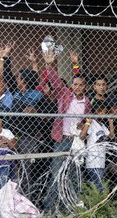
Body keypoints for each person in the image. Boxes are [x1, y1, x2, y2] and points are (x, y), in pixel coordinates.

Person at [43, 49, 91, 212]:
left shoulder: (87, 101)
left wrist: (84, 125)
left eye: (80, 84)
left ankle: (70, 208)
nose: (77, 87)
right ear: (71, 85)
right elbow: (55, 81)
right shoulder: (64, 94)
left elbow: (88, 120)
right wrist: (49, 65)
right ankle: (49, 209)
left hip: (76, 142)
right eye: (75, 84)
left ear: (85, 87)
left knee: (73, 176)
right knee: (56, 174)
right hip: (62, 139)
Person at [80, 101, 115, 191]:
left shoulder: (102, 126)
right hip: (93, 161)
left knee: (97, 188)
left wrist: (110, 123)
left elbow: (111, 136)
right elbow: (82, 136)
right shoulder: (92, 123)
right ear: (98, 111)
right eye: (103, 111)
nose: (104, 113)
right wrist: (88, 123)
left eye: (105, 111)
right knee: (100, 188)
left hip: (101, 161)